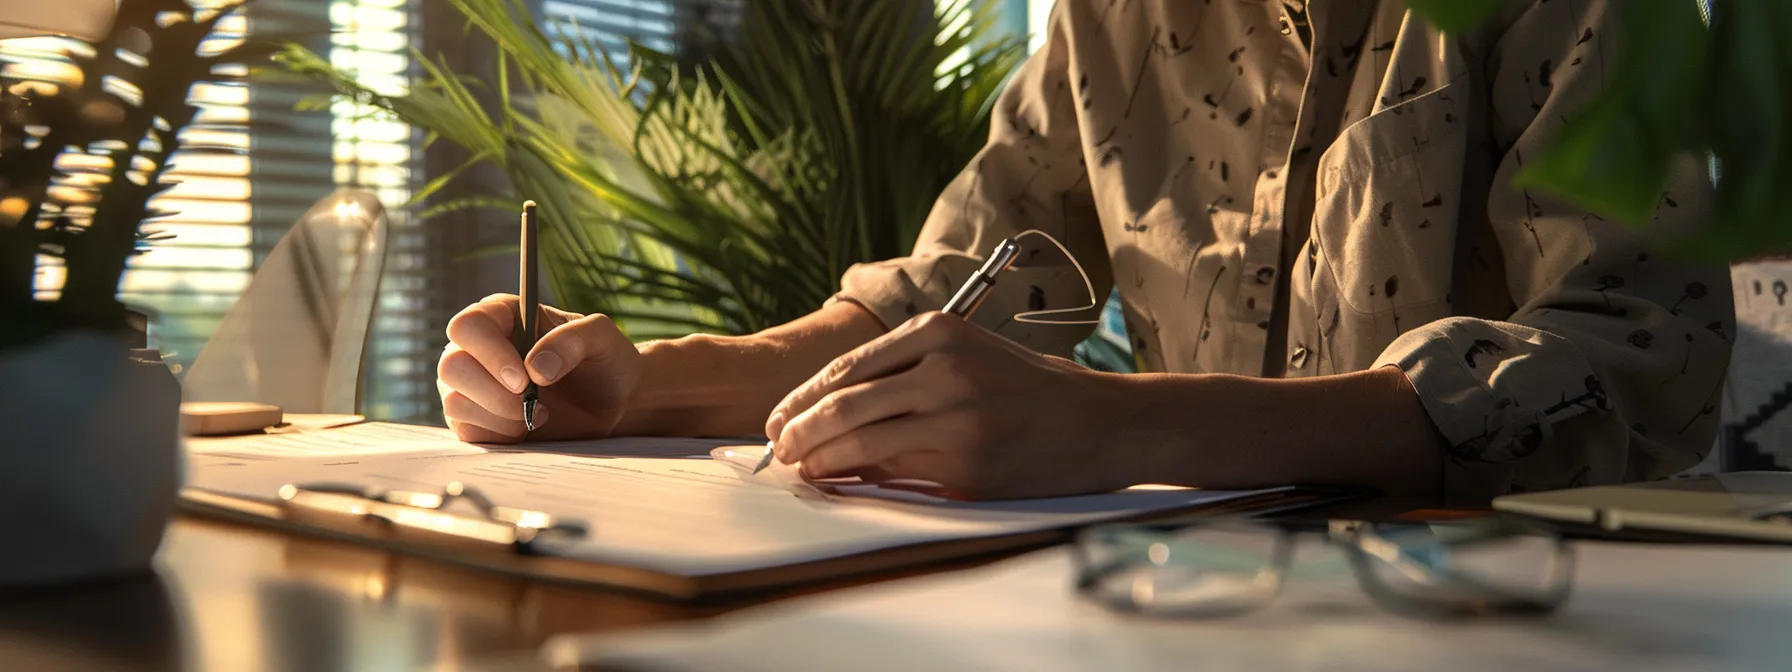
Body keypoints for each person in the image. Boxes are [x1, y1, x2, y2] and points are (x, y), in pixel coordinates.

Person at [435, 0, 1732, 504]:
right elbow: (959, 294)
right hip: (1163, 616)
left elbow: (1631, 360)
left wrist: (1129, 428)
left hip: (1504, 625)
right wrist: (651, 383)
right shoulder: (1112, 20)